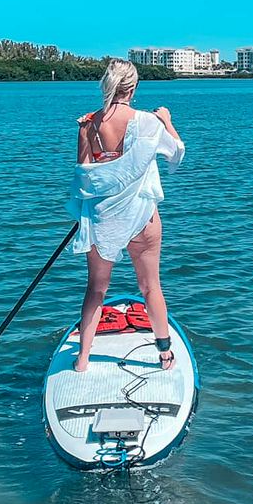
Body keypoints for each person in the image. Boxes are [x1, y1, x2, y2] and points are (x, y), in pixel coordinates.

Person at [67, 58, 184, 373]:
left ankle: (82, 360)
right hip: (142, 217)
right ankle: (164, 355)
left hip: (103, 218)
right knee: (150, 287)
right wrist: (167, 120)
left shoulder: (88, 124)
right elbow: (177, 152)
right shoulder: (148, 122)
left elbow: (84, 179)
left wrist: (85, 133)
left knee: (96, 289)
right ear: (132, 87)